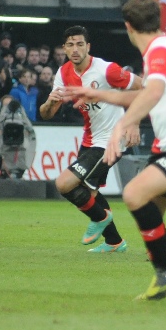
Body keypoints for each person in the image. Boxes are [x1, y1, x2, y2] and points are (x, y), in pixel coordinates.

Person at [65, 0, 166, 300]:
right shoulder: (162, 49)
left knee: (134, 194)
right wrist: (100, 96)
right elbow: (144, 94)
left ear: (129, 27)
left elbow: (154, 92)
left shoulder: (160, 50)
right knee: (150, 212)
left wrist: (121, 125)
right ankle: (164, 271)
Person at [40, 25, 143, 254]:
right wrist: (50, 101)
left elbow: (142, 87)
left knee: (64, 184)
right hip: (91, 140)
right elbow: (47, 114)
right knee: (88, 194)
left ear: (88, 47)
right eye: (70, 44)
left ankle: (100, 218)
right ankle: (115, 242)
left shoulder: (106, 70)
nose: (75, 49)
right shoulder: (63, 73)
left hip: (113, 139)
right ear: (64, 48)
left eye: (79, 44)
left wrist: (134, 121)